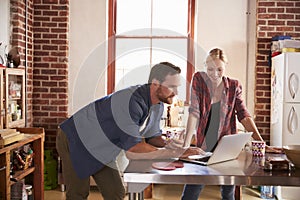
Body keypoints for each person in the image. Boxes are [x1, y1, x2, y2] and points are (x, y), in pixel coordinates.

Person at [56, 61, 203, 200]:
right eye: (172, 86)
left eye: (178, 87)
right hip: (76, 138)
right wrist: (176, 153)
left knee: (116, 193)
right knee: (78, 194)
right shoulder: (130, 101)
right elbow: (133, 149)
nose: (176, 92)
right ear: (155, 84)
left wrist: (169, 144)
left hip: (102, 147)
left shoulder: (158, 105)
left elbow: (153, 137)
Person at [181, 48, 266, 200]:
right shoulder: (198, 80)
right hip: (203, 147)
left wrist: (260, 141)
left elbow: (243, 115)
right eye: (210, 69)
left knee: (228, 193)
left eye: (219, 69)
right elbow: (194, 112)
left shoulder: (234, 86)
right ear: (205, 67)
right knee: (192, 189)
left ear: (225, 67)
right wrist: (187, 146)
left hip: (227, 148)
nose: (215, 74)